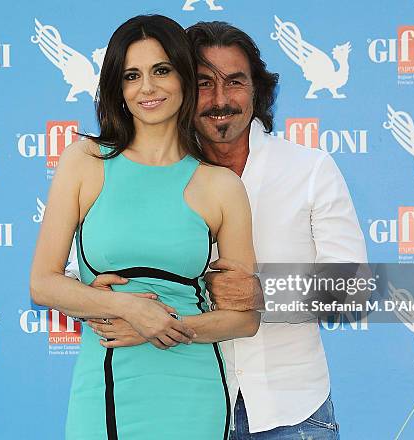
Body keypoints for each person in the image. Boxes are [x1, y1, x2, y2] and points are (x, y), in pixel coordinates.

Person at [84, 21, 367, 439]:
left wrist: (265, 292)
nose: (220, 100)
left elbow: (353, 292)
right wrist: (111, 303)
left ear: (258, 90)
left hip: (290, 414)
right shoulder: (146, 172)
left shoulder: (310, 170)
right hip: (179, 405)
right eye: (203, 83)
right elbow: (79, 274)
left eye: (235, 82)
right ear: (178, 88)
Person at [29, 15, 261, 440]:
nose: (147, 88)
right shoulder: (85, 161)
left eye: (161, 70)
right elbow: (43, 284)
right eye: (132, 75)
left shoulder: (221, 186)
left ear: (184, 77)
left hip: (193, 388)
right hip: (107, 382)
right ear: (117, 89)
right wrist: (129, 309)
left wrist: (160, 325)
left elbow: (243, 320)